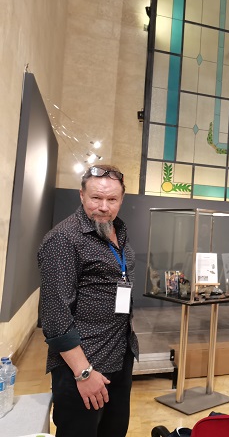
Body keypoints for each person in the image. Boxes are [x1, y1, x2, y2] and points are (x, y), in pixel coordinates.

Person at [38, 164, 139, 437]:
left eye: (112, 199)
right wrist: (84, 373)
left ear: (121, 199)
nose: (103, 207)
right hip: (83, 365)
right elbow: (55, 317)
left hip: (119, 356)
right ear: (81, 195)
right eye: (96, 198)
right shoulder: (63, 239)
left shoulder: (117, 230)